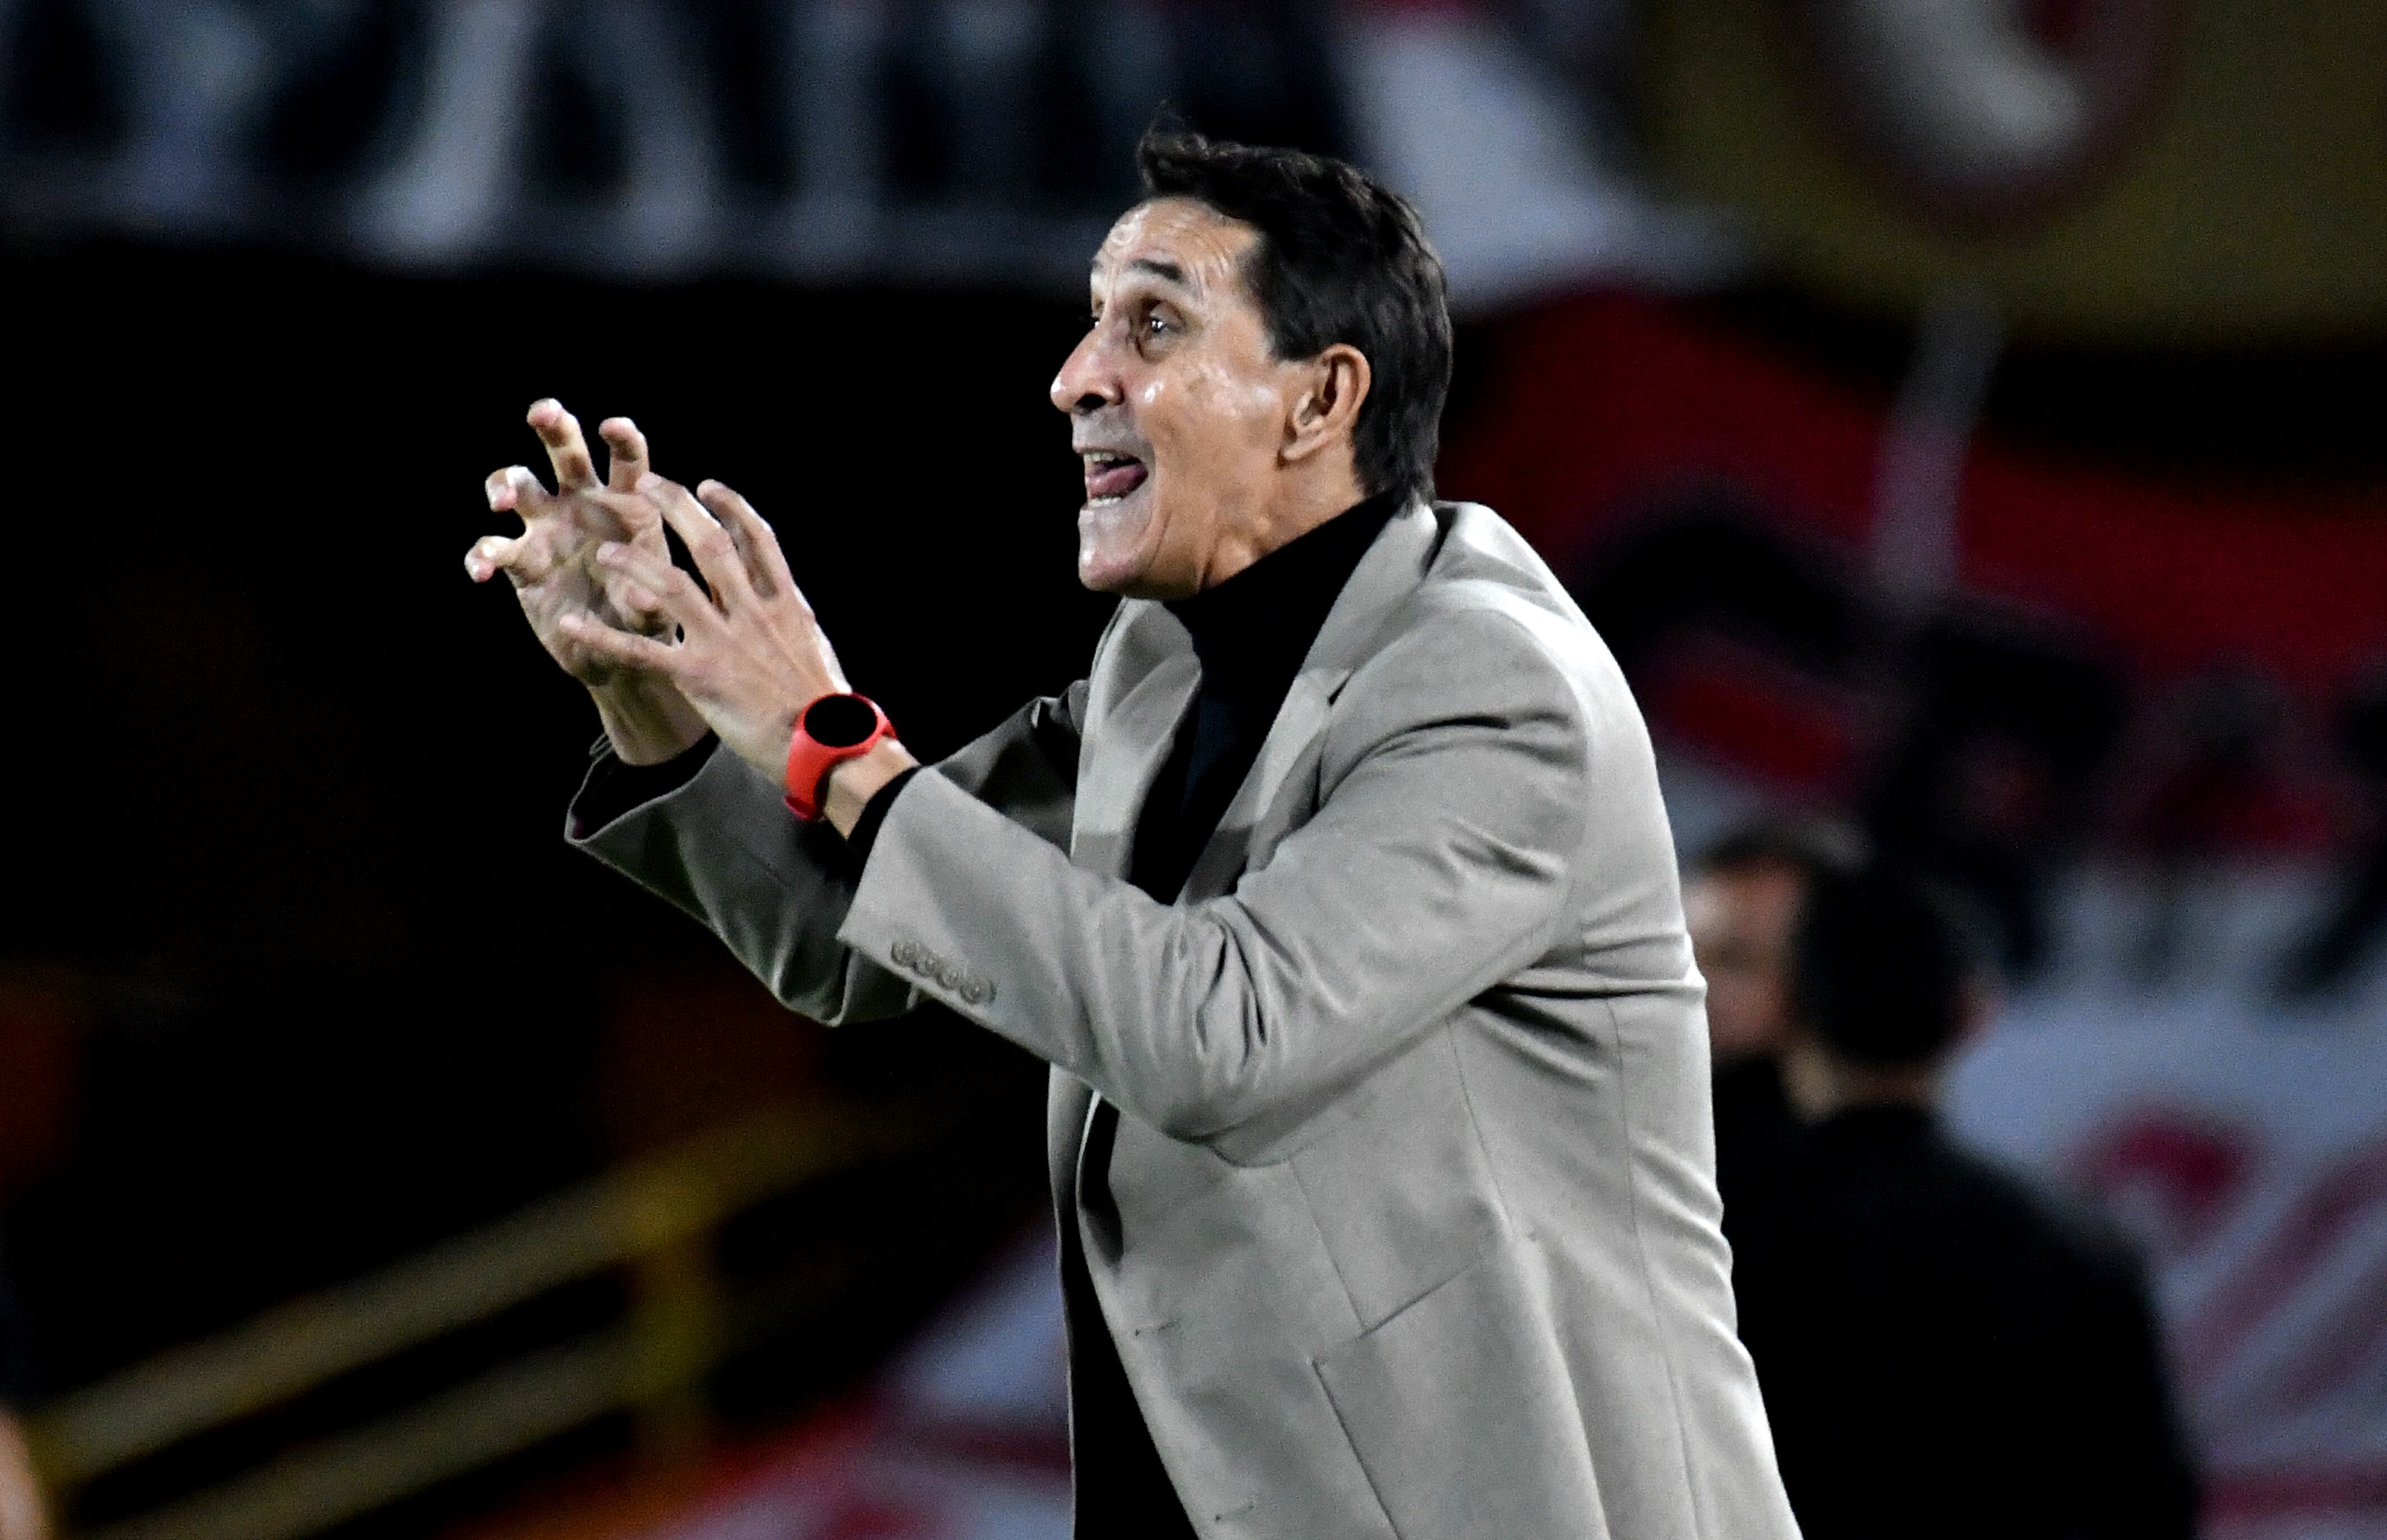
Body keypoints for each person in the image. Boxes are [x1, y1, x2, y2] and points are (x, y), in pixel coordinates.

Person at [466, 129, 1796, 1538]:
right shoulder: (1161, 669)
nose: (1077, 377)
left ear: (1320, 398)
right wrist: (651, 694)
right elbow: (845, 927)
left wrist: (824, 735)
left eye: (1153, 324)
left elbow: (1217, 1036)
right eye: (1093, 321)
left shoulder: (1492, 685)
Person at [1740, 861, 2197, 1539]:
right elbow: (2151, 1502)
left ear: (1784, 1012)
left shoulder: (1725, 1239)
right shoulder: (2081, 1247)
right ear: (1971, 1012)